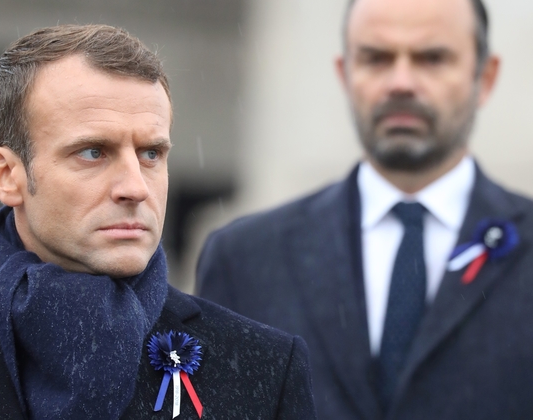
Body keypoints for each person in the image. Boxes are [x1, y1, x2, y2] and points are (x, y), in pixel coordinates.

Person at [0, 25, 316, 419]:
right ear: (6, 176)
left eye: (151, 153)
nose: (135, 187)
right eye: (93, 152)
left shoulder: (262, 364)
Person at [197, 0, 533, 418]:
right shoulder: (244, 259)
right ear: (344, 73)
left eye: (432, 58)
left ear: (485, 77)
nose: (401, 82)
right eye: (376, 58)